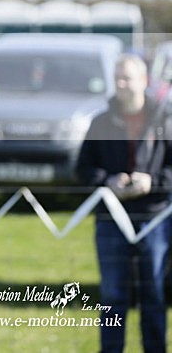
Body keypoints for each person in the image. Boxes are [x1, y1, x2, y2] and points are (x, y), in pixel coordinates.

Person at [76, 53, 172, 353]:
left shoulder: (165, 119)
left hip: (155, 218)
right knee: (113, 294)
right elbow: (83, 168)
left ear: (143, 81)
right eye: (117, 77)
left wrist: (151, 182)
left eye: (127, 77)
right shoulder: (101, 122)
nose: (121, 84)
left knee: (154, 293)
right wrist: (108, 181)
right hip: (112, 218)